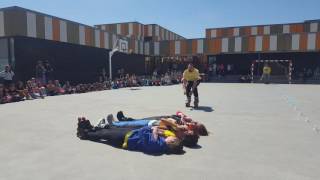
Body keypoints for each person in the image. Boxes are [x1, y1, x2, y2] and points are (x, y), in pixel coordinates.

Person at [77, 117, 183, 154]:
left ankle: (85, 133)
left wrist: (152, 130)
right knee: (107, 132)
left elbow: (147, 139)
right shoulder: (161, 142)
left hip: (126, 140)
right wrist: (153, 131)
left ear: (172, 143)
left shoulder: (159, 146)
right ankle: (89, 128)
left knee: (105, 135)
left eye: (173, 138)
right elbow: (151, 134)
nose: (171, 137)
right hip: (131, 134)